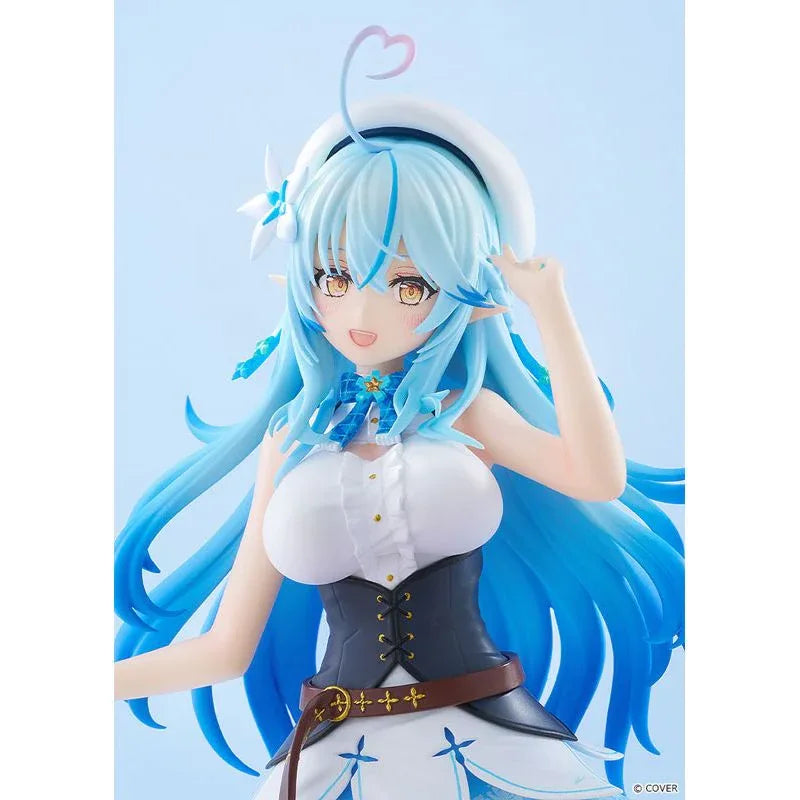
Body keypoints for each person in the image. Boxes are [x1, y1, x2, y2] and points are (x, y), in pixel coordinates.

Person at [114, 25, 685, 800]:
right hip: (334, 759)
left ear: (461, 291)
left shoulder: (467, 413)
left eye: (409, 284)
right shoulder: (292, 441)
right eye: (335, 275)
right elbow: (226, 649)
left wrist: (550, 307)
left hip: (493, 745)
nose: (361, 312)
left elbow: (597, 477)